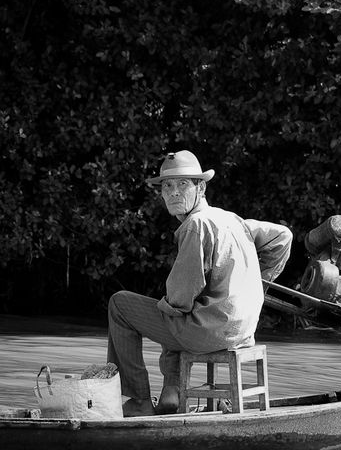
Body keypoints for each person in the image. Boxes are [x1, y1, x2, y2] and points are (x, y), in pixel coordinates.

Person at [107, 150, 292, 417]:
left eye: (183, 184)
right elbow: (283, 236)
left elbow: (179, 298)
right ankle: (171, 392)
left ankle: (139, 400)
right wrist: (255, 282)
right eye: (167, 186)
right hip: (243, 330)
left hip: (211, 332)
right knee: (170, 310)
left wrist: (254, 279)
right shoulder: (230, 218)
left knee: (123, 304)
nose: (173, 192)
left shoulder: (196, 225)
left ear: (201, 187)